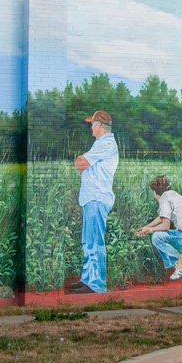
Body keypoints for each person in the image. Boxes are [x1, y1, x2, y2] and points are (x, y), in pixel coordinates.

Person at [69, 110, 119, 293]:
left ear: (100, 125)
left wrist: (83, 164)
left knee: (95, 241)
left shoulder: (106, 144)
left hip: (97, 198)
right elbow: (84, 165)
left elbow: (81, 163)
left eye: (92, 124)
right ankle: (88, 279)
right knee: (88, 241)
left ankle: (97, 285)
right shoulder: (100, 144)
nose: (91, 127)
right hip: (91, 198)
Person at [136, 175, 182, 281]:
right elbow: (162, 217)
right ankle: (180, 260)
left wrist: (150, 230)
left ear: (154, 192)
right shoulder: (172, 195)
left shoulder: (164, 198)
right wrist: (146, 227)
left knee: (157, 237)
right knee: (159, 235)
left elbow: (165, 226)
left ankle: (180, 262)